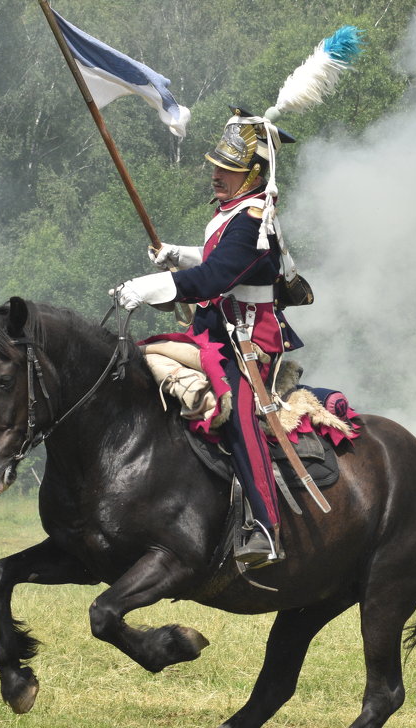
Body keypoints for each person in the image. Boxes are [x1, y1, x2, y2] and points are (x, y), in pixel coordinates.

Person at [113, 108, 303, 568]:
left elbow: (218, 275)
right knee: (140, 362)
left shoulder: (254, 217)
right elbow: (221, 257)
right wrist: (178, 255)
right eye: (218, 166)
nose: (217, 174)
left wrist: (147, 286)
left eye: (229, 169)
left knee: (239, 413)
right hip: (213, 332)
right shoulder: (233, 214)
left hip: (249, 342)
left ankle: (265, 527)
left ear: (254, 175)